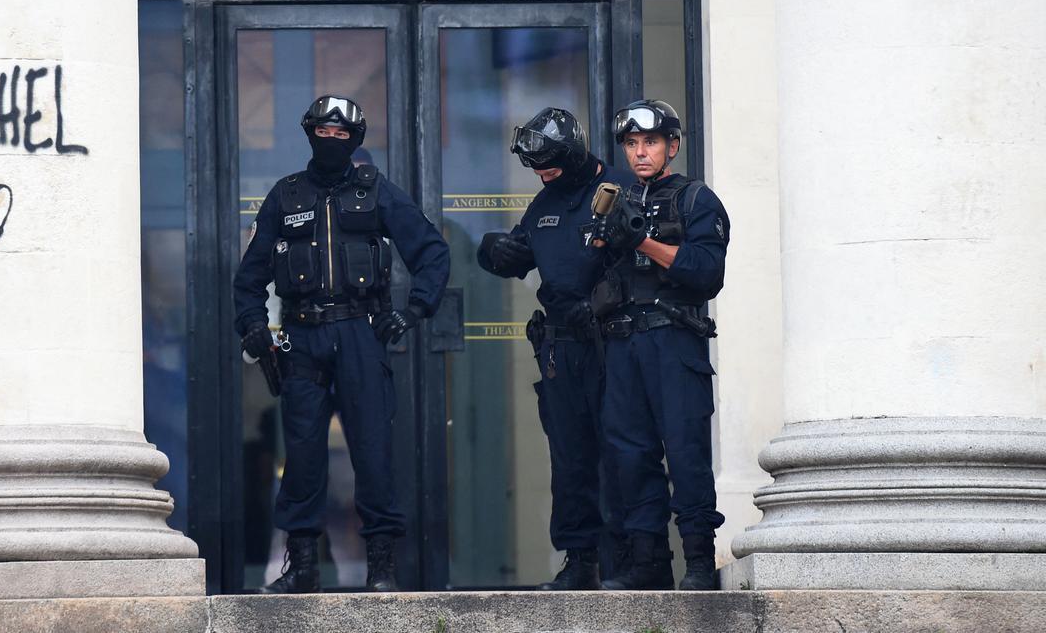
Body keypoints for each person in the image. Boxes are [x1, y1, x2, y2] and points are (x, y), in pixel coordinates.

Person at [233, 95, 450, 594]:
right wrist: (253, 326)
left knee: (372, 454)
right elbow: (249, 278)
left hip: (359, 333)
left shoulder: (376, 193)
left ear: (356, 140)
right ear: (309, 133)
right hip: (303, 337)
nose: (331, 141)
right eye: (323, 133)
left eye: (341, 135)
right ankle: (302, 567)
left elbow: (431, 251)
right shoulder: (285, 196)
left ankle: (382, 569)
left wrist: (414, 310)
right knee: (303, 457)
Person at [476, 108, 633, 590]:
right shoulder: (544, 203)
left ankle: (629, 560)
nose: (542, 176)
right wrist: (492, 251)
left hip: (613, 343)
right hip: (561, 346)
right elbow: (519, 254)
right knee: (570, 457)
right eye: (536, 170)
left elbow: (642, 258)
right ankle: (579, 560)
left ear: (573, 155)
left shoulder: (615, 192)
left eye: (549, 167)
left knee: (622, 452)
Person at [588, 99, 729, 591]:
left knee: (686, 452)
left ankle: (697, 562)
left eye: (649, 142)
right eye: (631, 144)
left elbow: (706, 274)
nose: (640, 153)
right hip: (624, 343)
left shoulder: (696, 199)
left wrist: (642, 239)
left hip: (673, 339)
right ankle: (648, 563)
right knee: (630, 454)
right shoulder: (614, 197)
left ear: (671, 145)